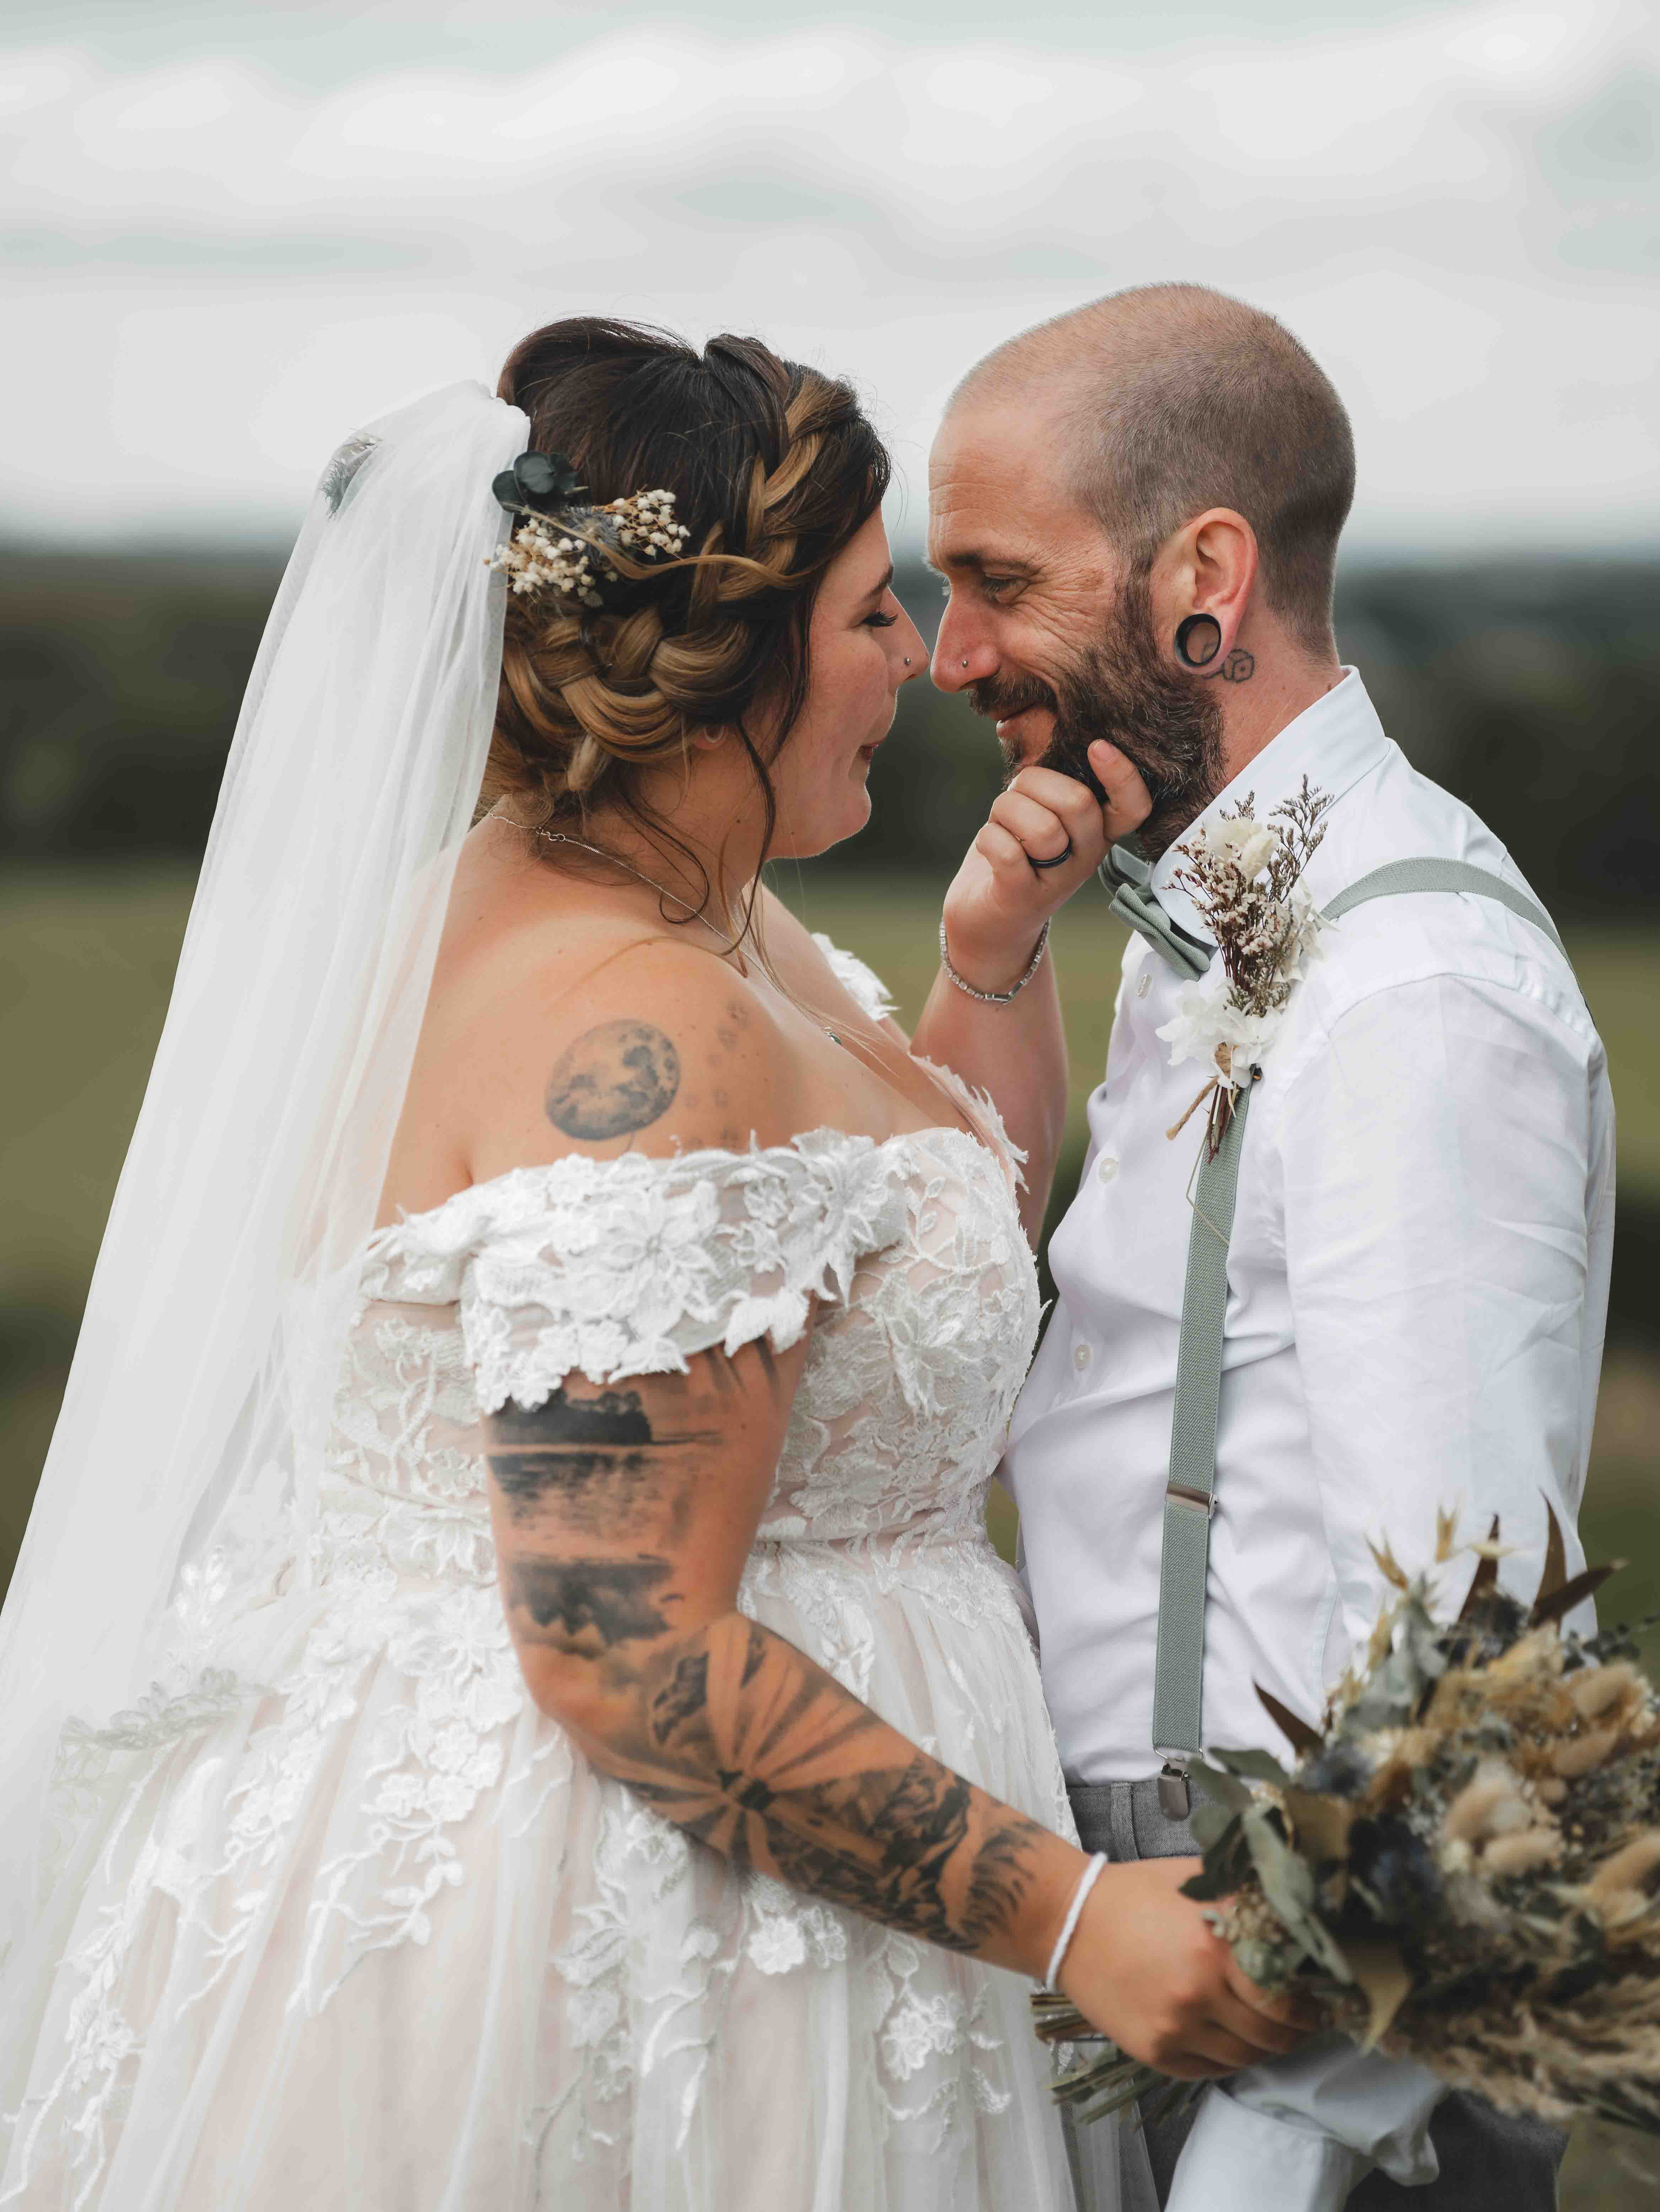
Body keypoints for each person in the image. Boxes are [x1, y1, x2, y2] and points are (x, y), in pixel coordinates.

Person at [0, 318, 1310, 2211]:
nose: (928, 664)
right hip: (629, 1937)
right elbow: (626, 1651)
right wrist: (1083, 1923)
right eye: (873, 616)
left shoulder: (703, 919)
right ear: (735, 658)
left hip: (775, 1890)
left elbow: (894, 1268)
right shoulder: (632, 1028)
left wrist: (992, 959)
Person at [928, 282, 1615, 2210]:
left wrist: (1286, 2138)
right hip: (1152, 1937)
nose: (949, 650)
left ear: (1199, 578)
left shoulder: (1409, 994)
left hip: (1288, 2004)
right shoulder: (1214, 913)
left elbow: (1467, 1680)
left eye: (996, 576)